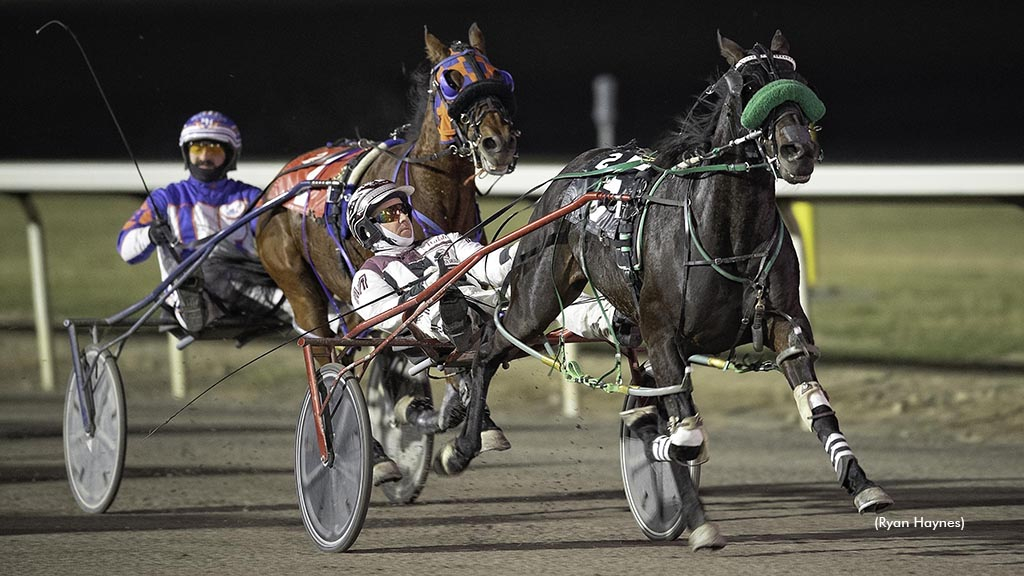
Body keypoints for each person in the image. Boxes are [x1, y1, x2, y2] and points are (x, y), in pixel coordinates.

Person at [347, 179, 634, 482]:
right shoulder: (370, 276)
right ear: (368, 229)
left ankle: (616, 319)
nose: (402, 218)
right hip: (431, 326)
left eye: (402, 209)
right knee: (439, 307)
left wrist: (526, 253)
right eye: (388, 215)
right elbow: (388, 318)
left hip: (488, 306)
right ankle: (457, 319)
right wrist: (438, 295)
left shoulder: (443, 242)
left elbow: (486, 264)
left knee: (546, 292)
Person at [116, 110, 290, 334]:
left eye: (214, 149)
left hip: (251, 283)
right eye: (197, 148)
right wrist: (148, 235)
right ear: (186, 153)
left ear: (230, 154)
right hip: (196, 287)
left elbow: (277, 240)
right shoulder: (166, 199)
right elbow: (126, 250)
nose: (205, 157)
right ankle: (191, 303)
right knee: (202, 269)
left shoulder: (251, 197)